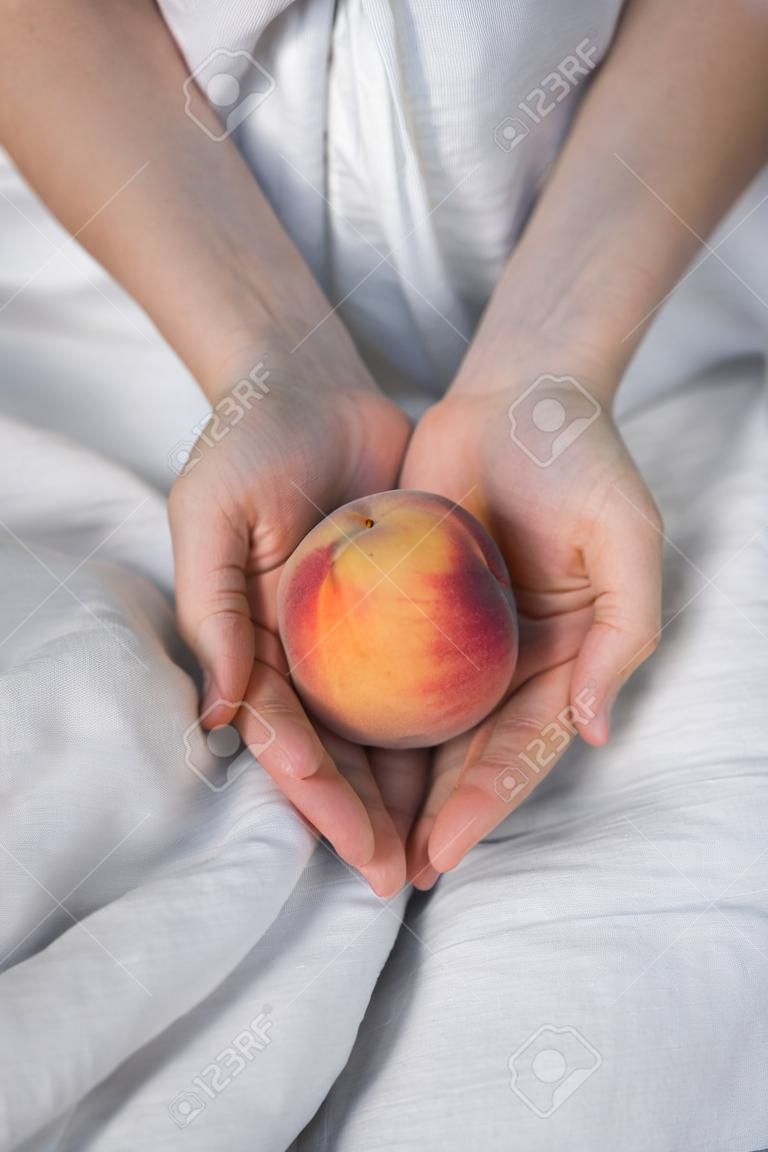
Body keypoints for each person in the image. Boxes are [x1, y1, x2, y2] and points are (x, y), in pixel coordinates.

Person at [1, 2, 767, 1149]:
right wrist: (268, 360)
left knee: (639, 1021)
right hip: (118, 328)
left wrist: (552, 362)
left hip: (653, 334)